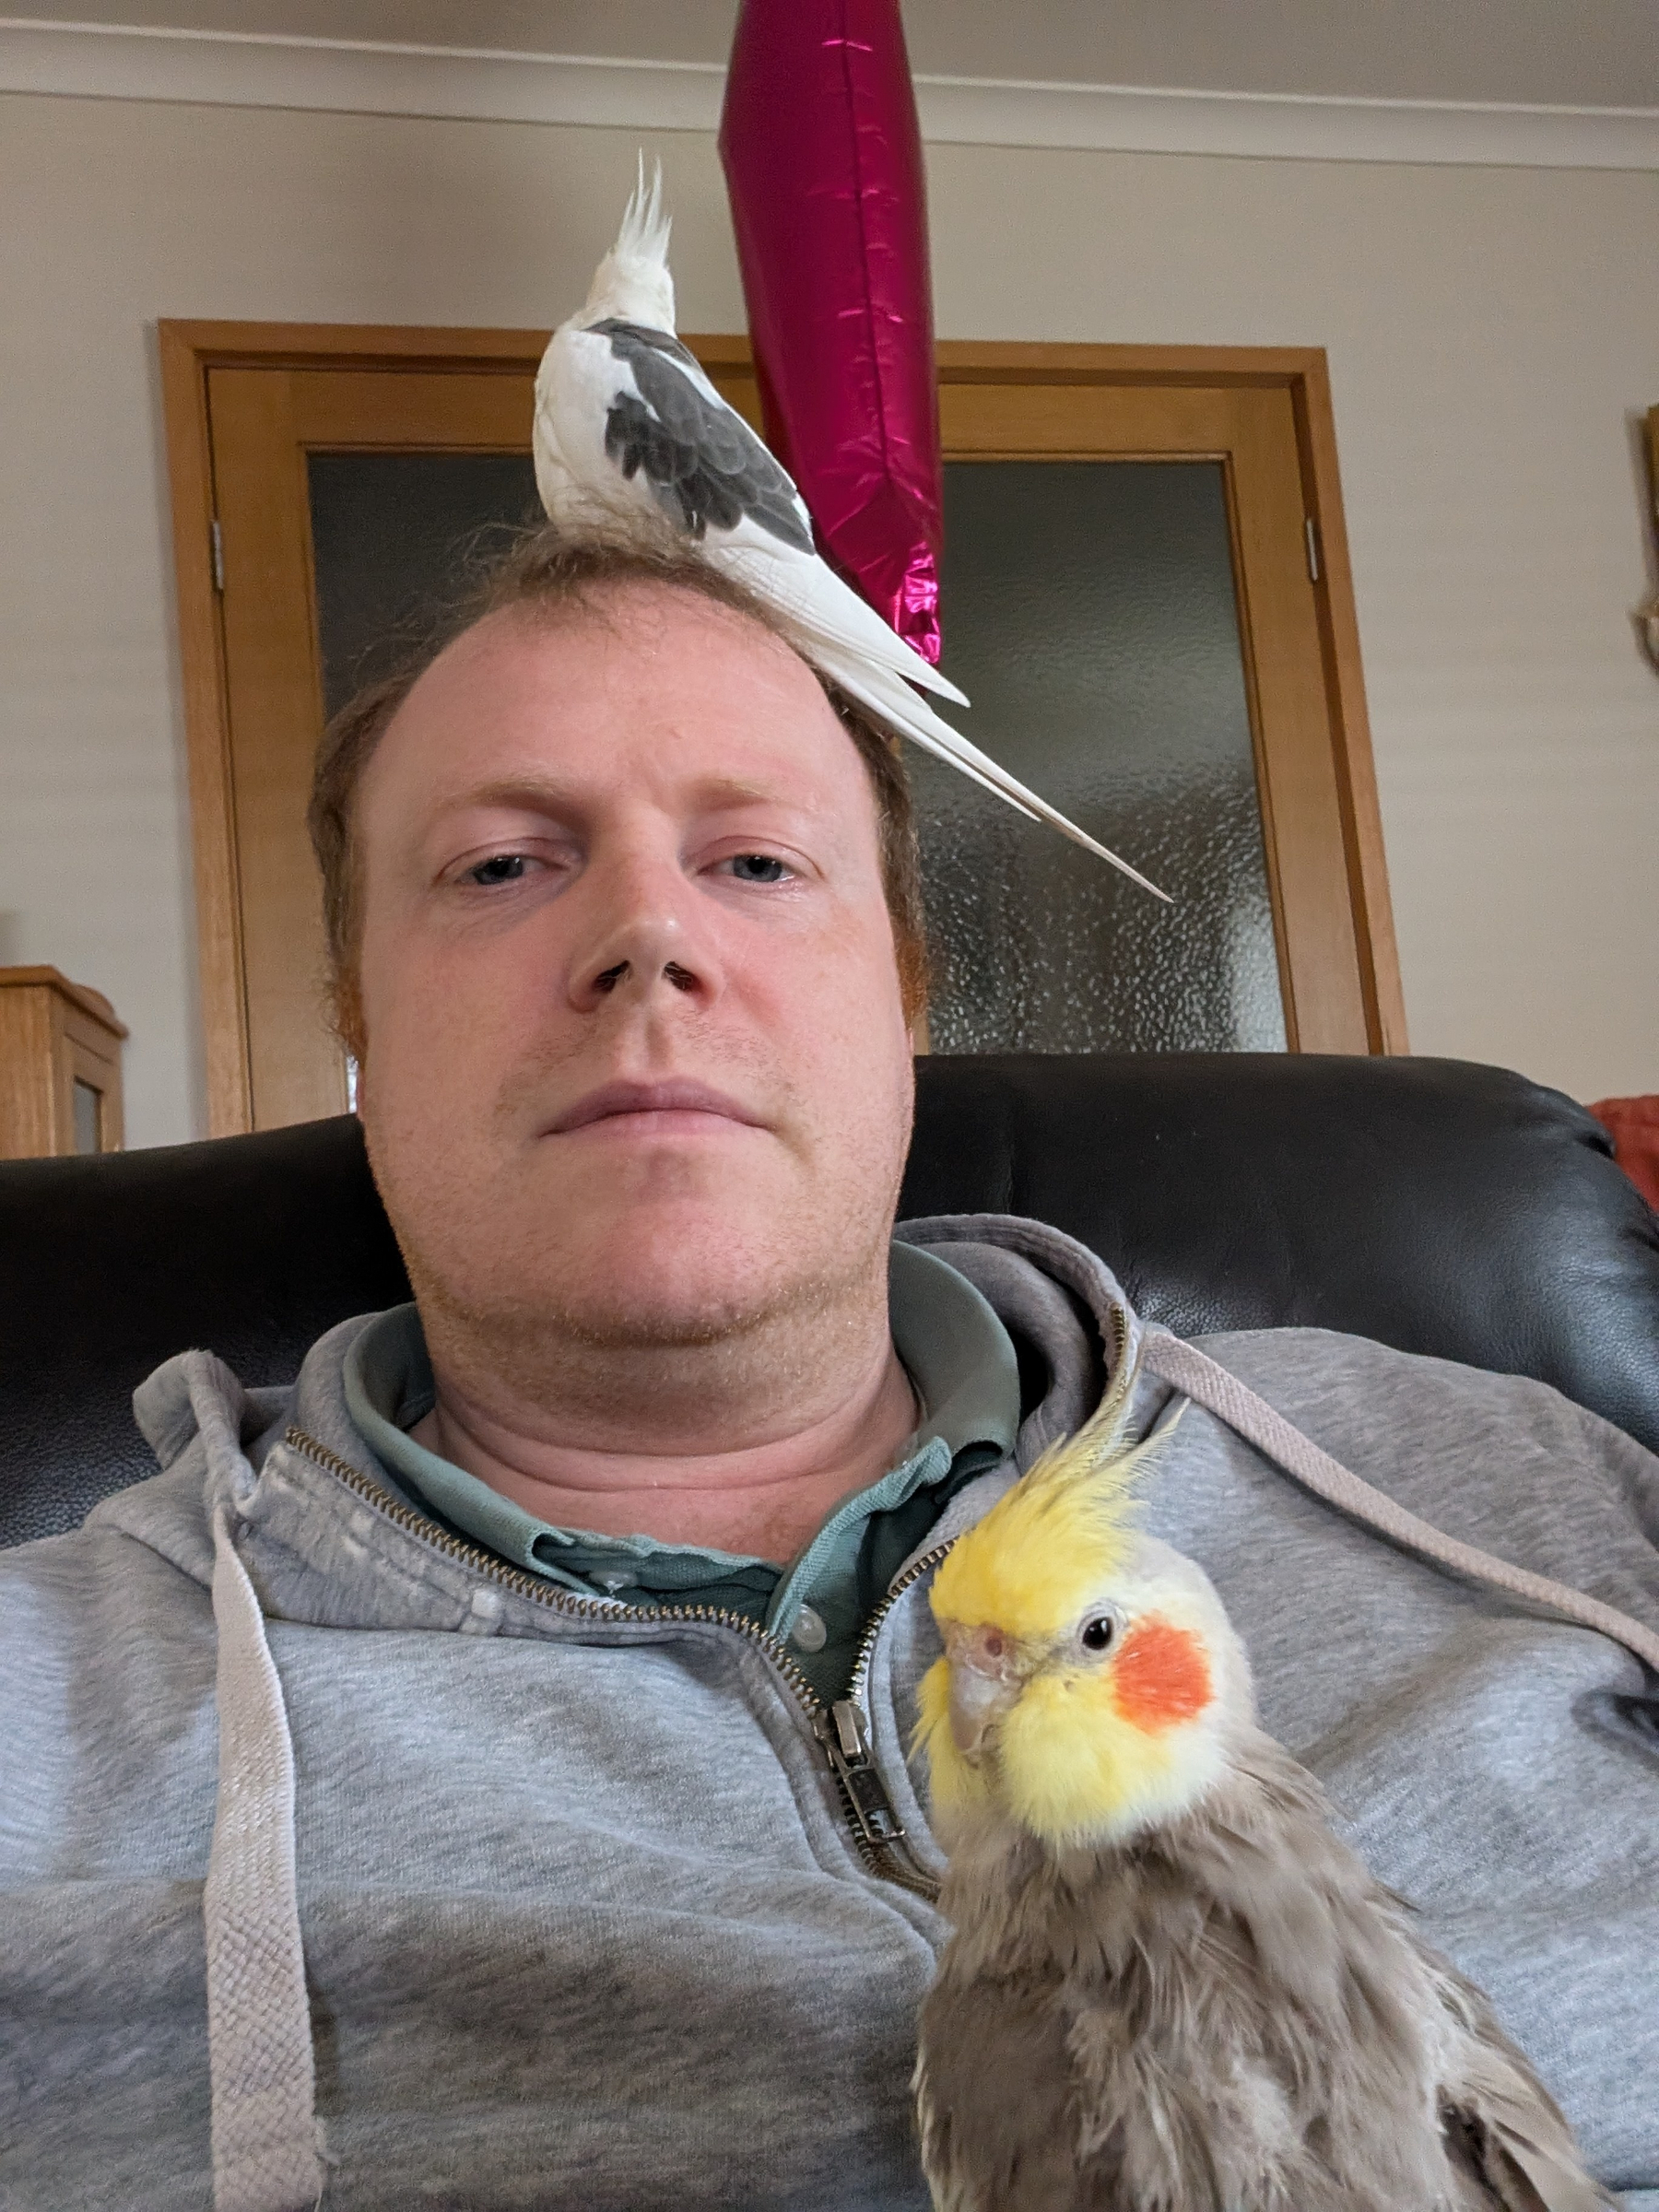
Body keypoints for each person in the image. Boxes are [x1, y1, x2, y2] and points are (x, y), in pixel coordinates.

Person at [2, 521, 1655, 2212]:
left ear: (905, 993)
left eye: (760, 863)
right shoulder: (33, 1710)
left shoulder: (1534, 1491)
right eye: (503, 865)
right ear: (358, 1014)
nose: (647, 938)